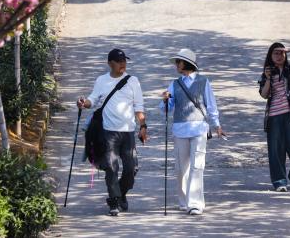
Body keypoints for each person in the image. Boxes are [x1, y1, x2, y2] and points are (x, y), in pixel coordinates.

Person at [77, 48, 147, 216]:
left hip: (128, 132)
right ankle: (114, 201)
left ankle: (120, 193)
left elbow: (138, 106)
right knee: (111, 167)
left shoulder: (133, 81)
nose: (123, 64)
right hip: (108, 132)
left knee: (132, 168)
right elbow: (93, 100)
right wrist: (83, 103)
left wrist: (143, 126)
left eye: (124, 61)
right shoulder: (102, 80)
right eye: (119, 61)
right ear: (110, 63)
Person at [160, 48, 226, 216]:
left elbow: (211, 105)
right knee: (181, 169)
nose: (176, 65)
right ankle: (184, 201)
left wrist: (216, 125)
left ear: (187, 63)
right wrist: (165, 99)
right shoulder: (175, 84)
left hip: (199, 129)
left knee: (197, 166)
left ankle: (195, 204)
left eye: (178, 62)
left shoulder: (204, 81)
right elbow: (166, 108)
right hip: (180, 130)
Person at [258, 41, 290, 191]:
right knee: (276, 150)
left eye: (281, 53)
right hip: (274, 116)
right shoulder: (267, 73)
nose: (279, 56)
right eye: (275, 53)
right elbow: (264, 94)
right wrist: (268, 78)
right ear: (270, 56)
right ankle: (280, 182)